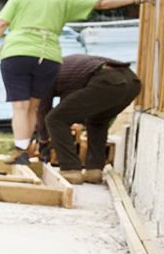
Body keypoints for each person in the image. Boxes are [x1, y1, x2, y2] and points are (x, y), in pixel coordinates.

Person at [0, 0, 152, 165]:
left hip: (18, 52)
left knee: (20, 107)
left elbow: (2, 23)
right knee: (32, 108)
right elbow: (101, 2)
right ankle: (24, 150)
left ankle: (21, 153)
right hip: (48, 56)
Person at [33, 54, 140, 184]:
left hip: (107, 80)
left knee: (54, 119)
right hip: (132, 82)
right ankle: (94, 170)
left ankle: (70, 169)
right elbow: (68, 104)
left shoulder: (42, 76)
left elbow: (43, 111)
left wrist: (43, 140)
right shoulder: (62, 69)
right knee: (97, 121)